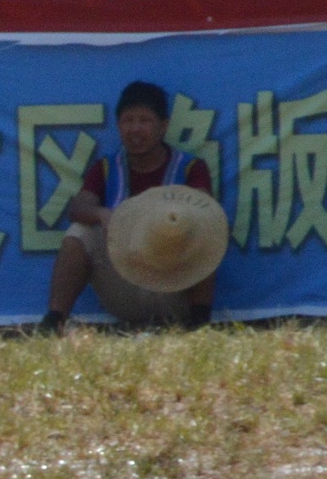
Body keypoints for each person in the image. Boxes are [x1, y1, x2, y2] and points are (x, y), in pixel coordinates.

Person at [42, 79, 218, 332]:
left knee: (207, 232)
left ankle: (200, 323)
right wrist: (102, 214)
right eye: (128, 120)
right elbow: (77, 209)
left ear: (163, 127)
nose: (136, 129)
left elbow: (207, 212)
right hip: (124, 286)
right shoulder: (106, 167)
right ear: (118, 126)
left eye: (144, 121)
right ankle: (53, 322)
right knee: (79, 234)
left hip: (174, 287)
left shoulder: (190, 167)